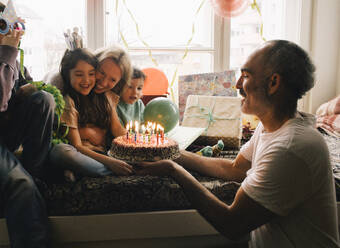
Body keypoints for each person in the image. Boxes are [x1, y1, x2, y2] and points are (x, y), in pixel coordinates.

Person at [136, 40, 340, 247]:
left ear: (273, 83)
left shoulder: (291, 147)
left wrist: (173, 170)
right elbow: (237, 168)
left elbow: (232, 224)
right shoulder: (271, 126)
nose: (236, 85)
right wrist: (171, 152)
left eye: (246, 75)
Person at [0, 0, 54, 247]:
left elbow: (13, 94)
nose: (9, 32)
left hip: (2, 132)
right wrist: (7, 53)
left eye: (12, 26)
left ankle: (35, 171)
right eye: (0, 25)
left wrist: (25, 91)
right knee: (21, 183)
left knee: (43, 99)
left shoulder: (12, 61)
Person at [50, 46, 134, 180]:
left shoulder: (107, 97)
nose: (103, 82)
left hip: (103, 155)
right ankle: (112, 170)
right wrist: (111, 163)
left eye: (112, 80)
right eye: (101, 72)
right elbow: (75, 145)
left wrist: (142, 145)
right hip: (83, 155)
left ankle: (79, 171)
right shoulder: (68, 99)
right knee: (60, 152)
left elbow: (117, 129)